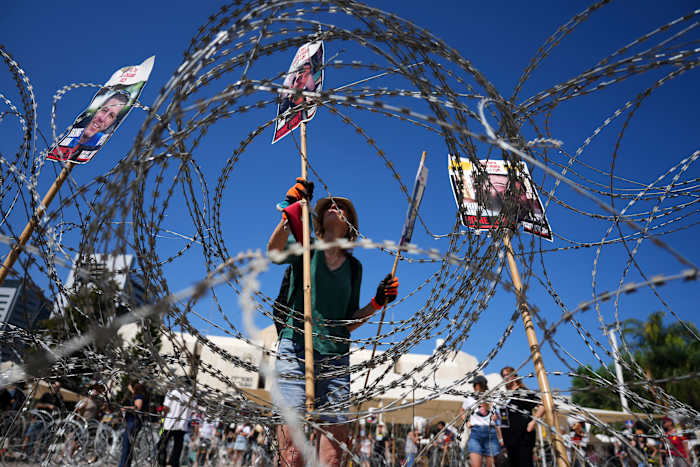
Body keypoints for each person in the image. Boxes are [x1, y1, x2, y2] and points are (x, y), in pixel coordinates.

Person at [268, 179, 399, 467]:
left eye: (341, 207)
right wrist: (289, 213)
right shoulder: (307, 246)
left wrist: (378, 301)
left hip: (336, 359)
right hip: (295, 349)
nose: (334, 207)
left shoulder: (354, 268)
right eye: (329, 206)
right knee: (292, 450)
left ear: (349, 224)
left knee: (332, 455)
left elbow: (349, 322)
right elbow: (274, 252)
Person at [49, 92, 128, 161]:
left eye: (111, 116)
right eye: (104, 110)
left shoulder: (97, 144)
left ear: (113, 122)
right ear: (97, 110)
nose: (102, 119)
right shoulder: (72, 133)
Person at [499, 366, 545, 467]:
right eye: (503, 376)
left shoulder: (523, 391)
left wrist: (533, 422)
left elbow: (542, 406)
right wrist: (502, 438)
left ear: (514, 376)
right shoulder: (505, 396)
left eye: (507, 375)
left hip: (523, 437)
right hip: (509, 439)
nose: (505, 378)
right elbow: (504, 417)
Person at [460, 375, 503, 467]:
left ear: (480, 385)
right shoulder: (470, 398)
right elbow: (462, 412)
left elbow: (499, 416)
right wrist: (467, 422)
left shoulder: (492, 398)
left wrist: (496, 416)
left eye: (475, 384)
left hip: (491, 432)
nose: (474, 387)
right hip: (476, 432)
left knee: (491, 464)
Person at [157, 382, 194, 467]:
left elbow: (166, 408)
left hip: (169, 424)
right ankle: (173, 463)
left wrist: (161, 415)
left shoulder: (172, 392)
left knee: (161, 444)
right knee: (178, 446)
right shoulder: (191, 396)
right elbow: (192, 411)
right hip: (182, 425)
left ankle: (162, 463)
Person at [119, 381, 147, 467]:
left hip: (133, 422)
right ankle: (126, 464)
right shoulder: (140, 396)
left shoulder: (139, 397)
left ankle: (123, 465)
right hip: (133, 422)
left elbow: (137, 407)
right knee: (128, 446)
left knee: (126, 446)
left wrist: (125, 408)